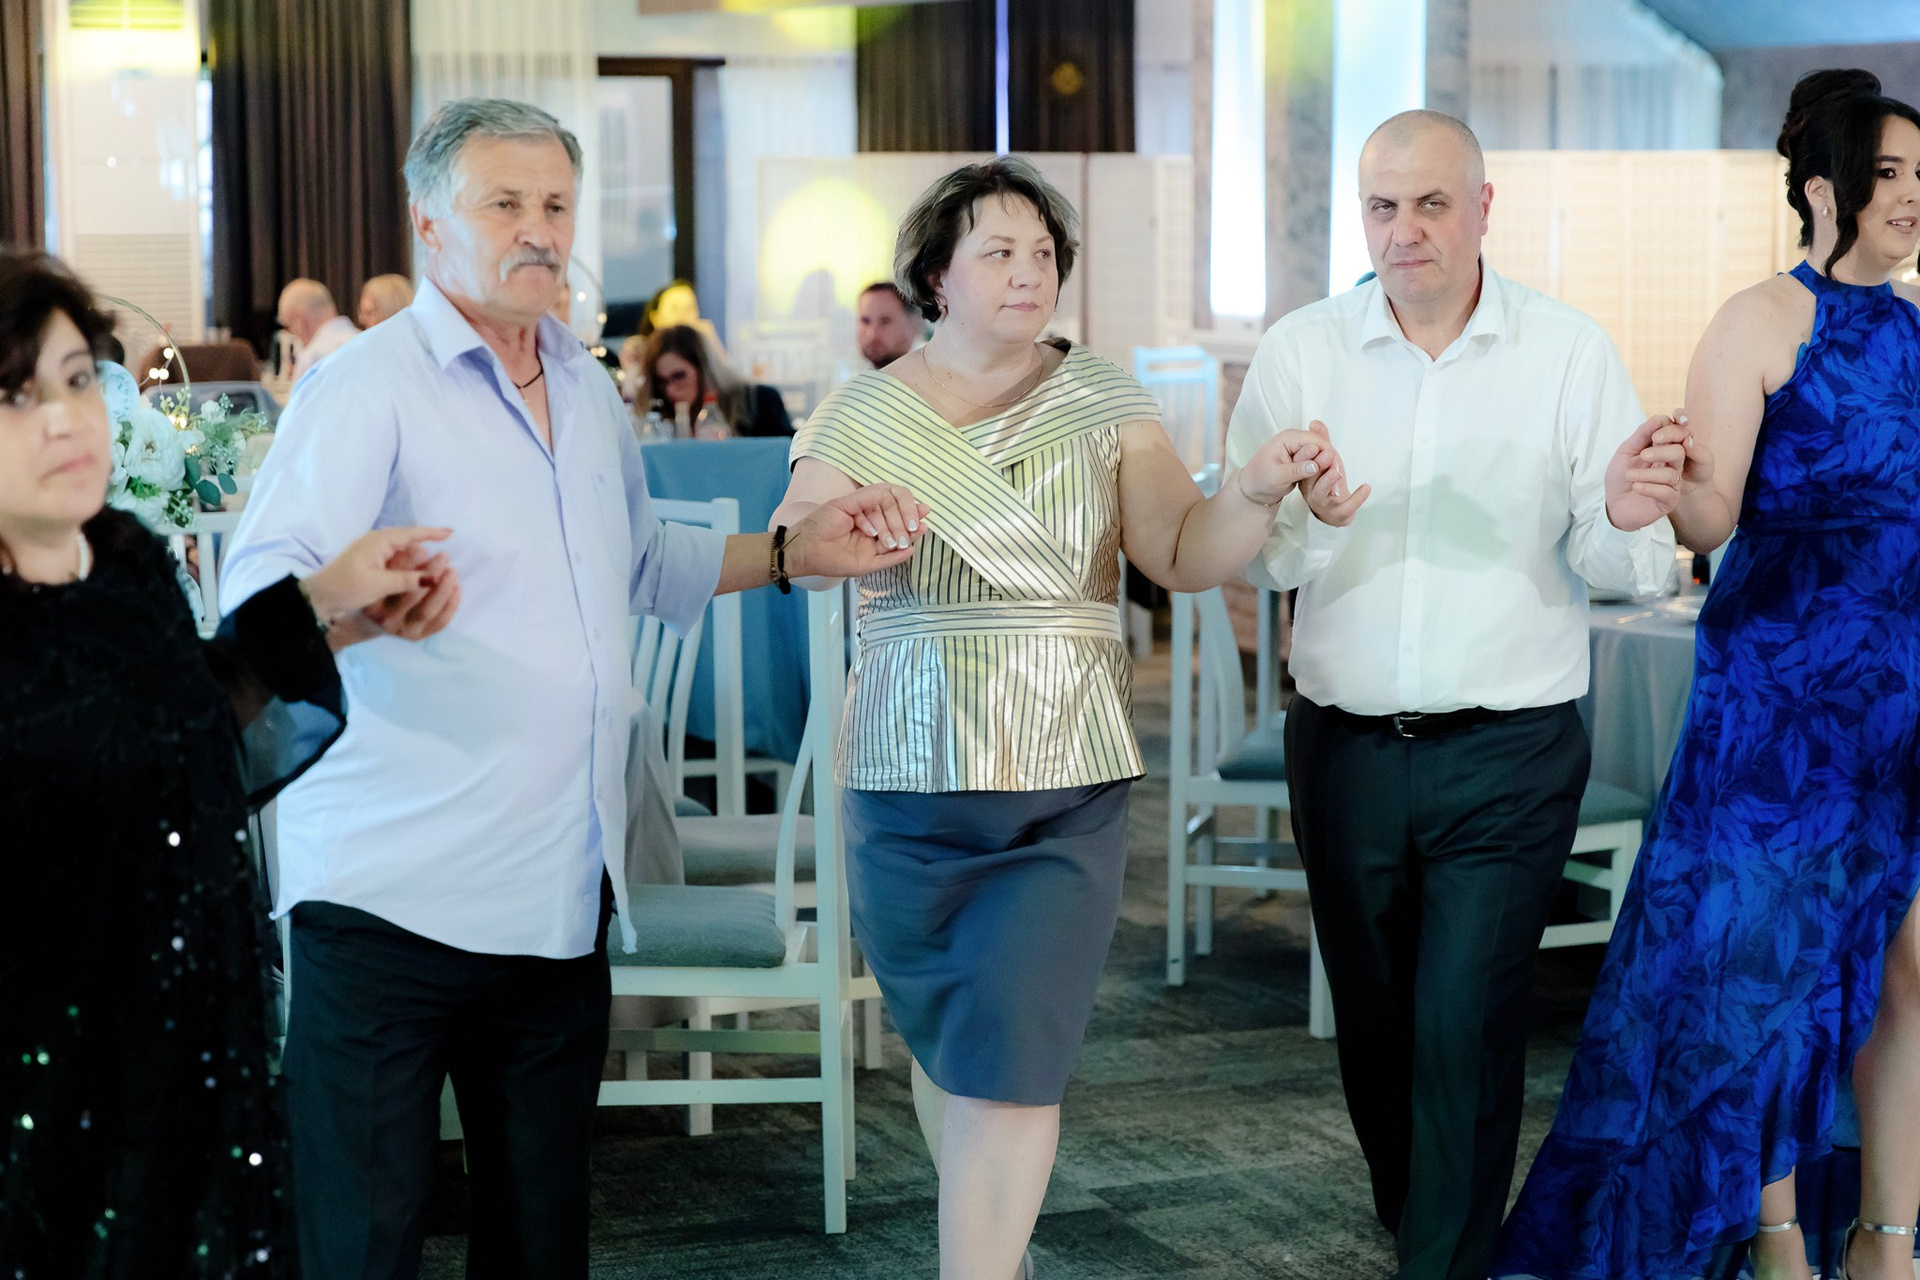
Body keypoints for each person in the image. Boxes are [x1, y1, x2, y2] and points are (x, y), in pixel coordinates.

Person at [219, 97, 926, 1279]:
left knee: (541, 1243)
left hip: (555, 892)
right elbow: (253, 599)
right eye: (504, 203)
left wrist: (799, 548)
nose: (538, 230)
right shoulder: (366, 388)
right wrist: (348, 593)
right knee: (359, 1243)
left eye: (556, 204)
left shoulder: (587, 388)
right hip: (391, 896)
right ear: (428, 222)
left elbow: (642, 562)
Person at [774, 155, 1332, 1280]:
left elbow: (1183, 553)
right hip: (906, 777)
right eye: (999, 251)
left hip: (1062, 777)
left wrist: (1253, 490)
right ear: (937, 275)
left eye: (1043, 253)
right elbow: (797, 542)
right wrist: (835, 533)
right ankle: (1000, 1255)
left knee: (1014, 1059)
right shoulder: (863, 409)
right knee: (953, 1042)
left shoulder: (1105, 398)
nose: (1030, 272)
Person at [1224, 109, 1683, 1280]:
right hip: (1342, 748)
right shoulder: (1301, 352)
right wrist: (1304, 518)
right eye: (1383, 206)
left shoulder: (1567, 351)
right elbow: (1258, 552)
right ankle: (1419, 1215)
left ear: (1482, 208)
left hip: (1509, 751)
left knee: (1466, 1024)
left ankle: (1444, 1259)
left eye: (1432, 203)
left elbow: (1624, 559)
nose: (1406, 230)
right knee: (1377, 1026)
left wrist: (1626, 514)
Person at [1495, 70, 1920, 1280]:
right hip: (1780, 701)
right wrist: (1662, 491)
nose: (1912, 198)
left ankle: (1887, 1236)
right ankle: (1774, 1230)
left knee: (1906, 965)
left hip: (1899, 698)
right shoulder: (1757, 320)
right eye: (1890, 175)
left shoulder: (1916, 329)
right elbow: (1712, 509)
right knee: (1760, 975)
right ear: (1824, 188)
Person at [0, 249, 459, 1276]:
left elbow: (195, 725)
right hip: (53, 1078)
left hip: (196, 1044)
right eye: (17, 396)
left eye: (76, 379)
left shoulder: (123, 558)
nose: (65, 419)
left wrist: (334, 606)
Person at [639, 322, 794, 436]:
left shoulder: (759, 403)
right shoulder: (660, 421)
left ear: (705, 368)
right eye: (662, 382)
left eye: (679, 376)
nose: (670, 390)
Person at [276, 278, 360, 383]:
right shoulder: (363, 340)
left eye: (289, 327)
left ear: (299, 321)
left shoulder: (312, 358)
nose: (293, 334)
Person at [857, 280, 921, 368]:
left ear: (914, 325)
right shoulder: (853, 373)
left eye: (885, 322)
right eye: (865, 321)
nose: (872, 334)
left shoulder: (934, 372)